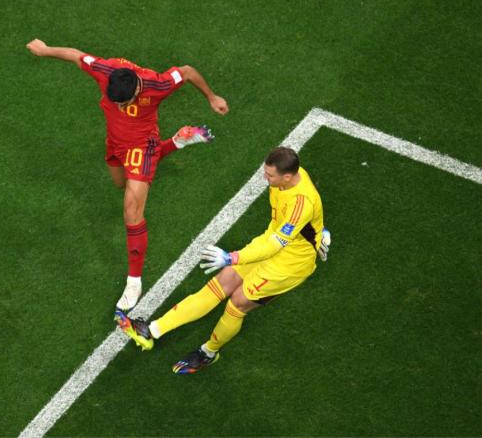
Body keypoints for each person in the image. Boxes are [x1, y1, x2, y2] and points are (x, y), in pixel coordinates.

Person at [26, 39, 229, 311]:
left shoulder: (157, 84)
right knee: (119, 183)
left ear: (135, 92)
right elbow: (76, 55)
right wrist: (46, 50)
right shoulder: (105, 70)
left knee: (131, 210)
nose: (121, 107)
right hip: (115, 141)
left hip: (141, 146)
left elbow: (188, 71)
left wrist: (212, 97)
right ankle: (179, 141)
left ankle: (134, 281)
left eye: (125, 104)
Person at [115, 147, 331, 374]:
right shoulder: (293, 178)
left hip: (289, 264)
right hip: (269, 244)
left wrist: (232, 257)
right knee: (220, 284)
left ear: (287, 176)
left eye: (270, 175)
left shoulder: (301, 202)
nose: (264, 178)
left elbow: (277, 243)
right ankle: (152, 330)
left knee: (237, 302)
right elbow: (306, 212)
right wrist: (319, 228)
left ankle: (208, 352)